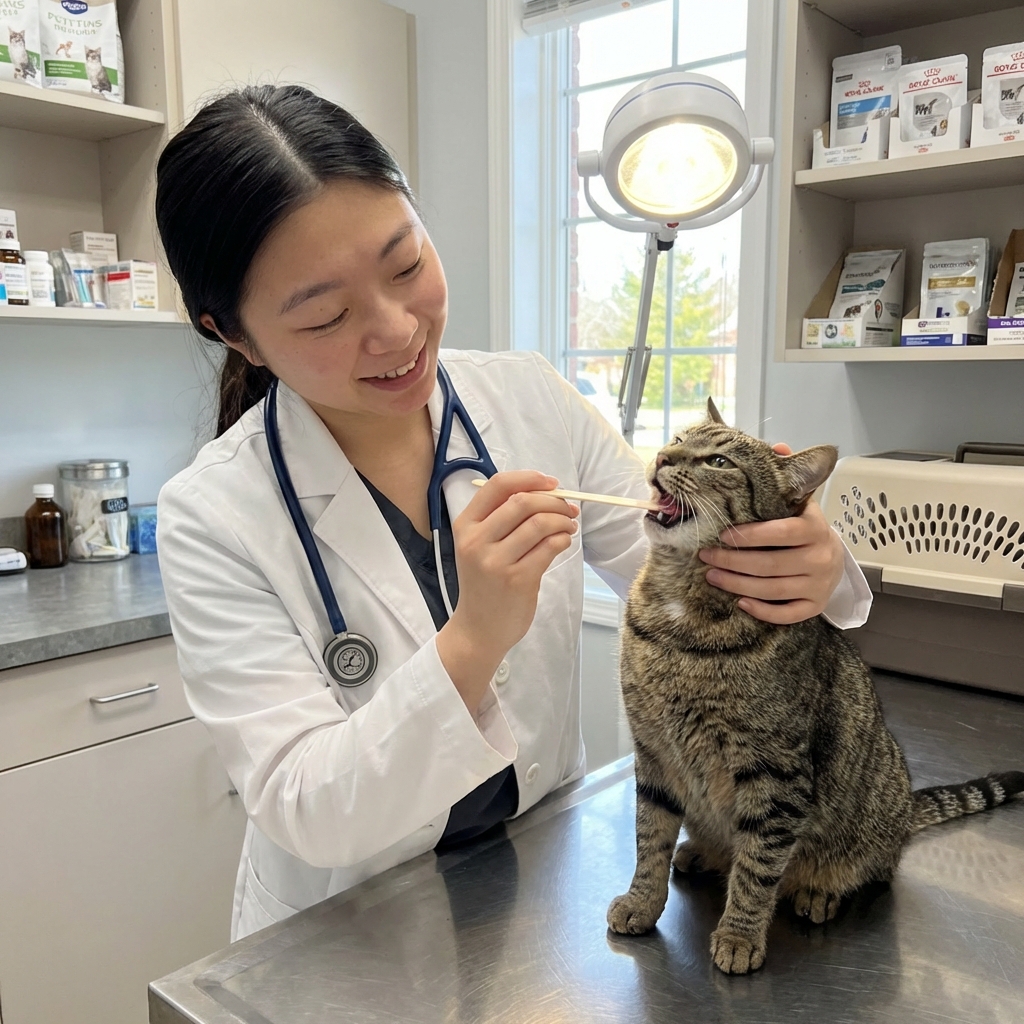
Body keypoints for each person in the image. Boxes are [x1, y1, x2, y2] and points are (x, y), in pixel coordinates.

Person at [155, 84, 870, 941]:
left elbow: (696, 579)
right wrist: (475, 636)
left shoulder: (530, 400)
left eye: (406, 264)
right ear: (232, 334)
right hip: (353, 930)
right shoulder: (211, 516)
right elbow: (305, 806)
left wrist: (809, 563)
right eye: (328, 314)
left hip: (540, 877)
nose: (395, 330)